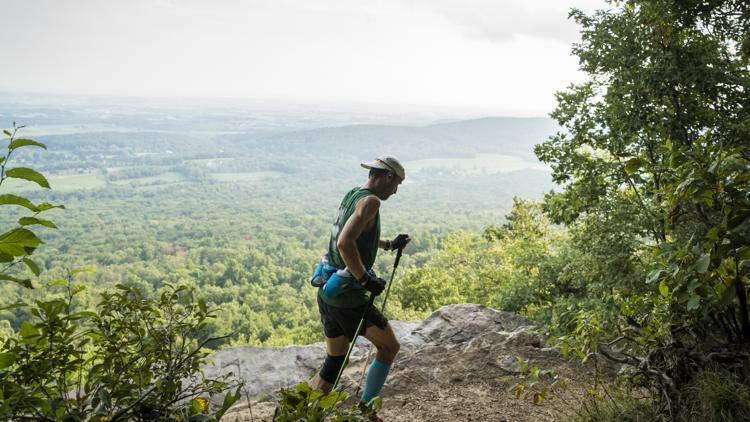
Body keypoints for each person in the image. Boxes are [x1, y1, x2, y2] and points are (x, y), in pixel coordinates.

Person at [310, 155, 411, 419]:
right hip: (349, 300)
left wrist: (388, 244)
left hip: (329, 292)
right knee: (390, 347)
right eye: (396, 183)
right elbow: (345, 243)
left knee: (335, 361)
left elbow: (355, 235)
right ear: (387, 177)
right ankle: (366, 410)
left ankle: (296, 410)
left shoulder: (354, 195)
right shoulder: (372, 201)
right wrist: (365, 279)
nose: (396, 190)